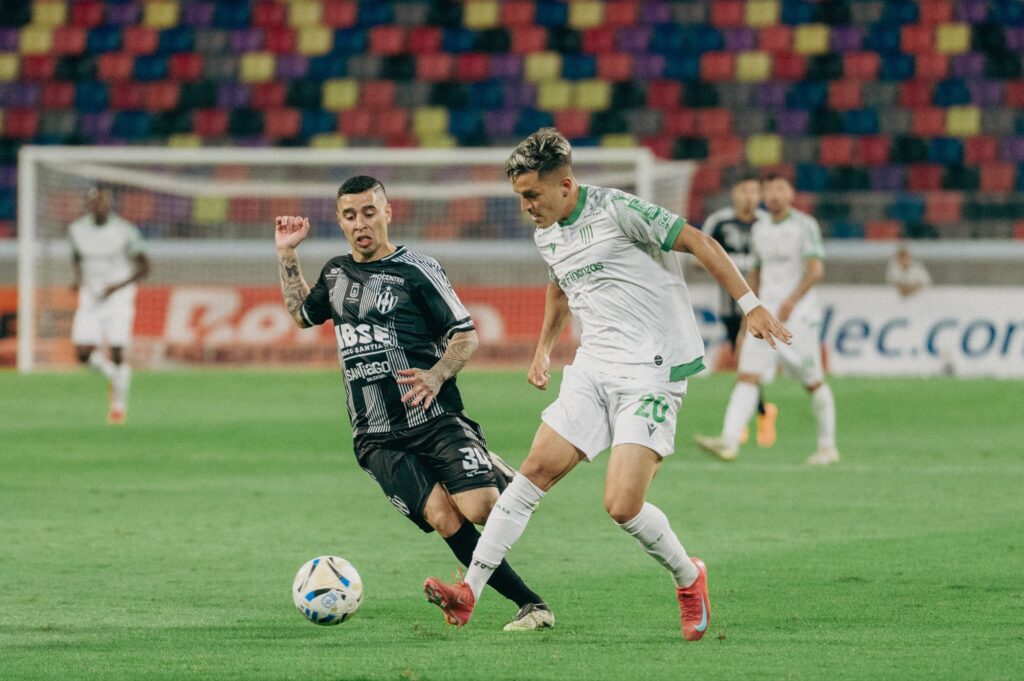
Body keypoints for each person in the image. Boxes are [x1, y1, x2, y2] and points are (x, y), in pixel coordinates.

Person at [422, 128, 791, 641]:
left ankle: (689, 576)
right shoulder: (546, 232)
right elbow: (559, 285)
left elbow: (698, 241)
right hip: (593, 368)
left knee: (622, 506)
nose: (526, 206)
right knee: (533, 472)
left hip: (651, 373)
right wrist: (544, 348)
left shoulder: (618, 210)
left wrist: (751, 306)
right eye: (520, 196)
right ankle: (470, 592)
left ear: (565, 185)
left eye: (532, 195)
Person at [274, 175, 554, 631]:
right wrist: (287, 253)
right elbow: (302, 314)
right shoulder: (335, 273)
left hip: (434, 418)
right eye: (350, 215)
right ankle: (532, 604)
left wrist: (436, 374)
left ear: (387, 213)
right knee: (444, 518)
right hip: (375, 437)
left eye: (369, 212)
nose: (361, 224)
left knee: (481, 510)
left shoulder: (417, 269)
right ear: (340, 222)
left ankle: (497, 472)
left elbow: (465, 336)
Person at [695, 174, 839, 466]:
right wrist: (749, 311)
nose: (774, 195)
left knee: (813, 381)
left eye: (780, 188)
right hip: (765, 316)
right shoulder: (760, 228)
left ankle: (827, 447)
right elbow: (756, 274)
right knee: (747, 375)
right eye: (769, 190)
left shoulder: (804, 226)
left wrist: (791, 301)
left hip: (799, 318)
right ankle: (729, 440)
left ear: (791, 194)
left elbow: (815, 270)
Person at [701, 173, 778, 448]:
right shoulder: (719, 222)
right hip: (729, 305)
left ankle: (747, 420)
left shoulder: (767, 223)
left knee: (748, 363)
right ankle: (760, 412)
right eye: (745, 191)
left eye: (755, 191)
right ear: (735, 193)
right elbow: (700, 253)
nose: (750, 197)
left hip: (761, 304)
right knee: (743, 362)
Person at [69, 185, 149, 424]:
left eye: (103, 201)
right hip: (91, 296)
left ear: (110, 204)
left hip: (119, 297)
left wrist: (117, 286)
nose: (99, 206)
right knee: (82, 353)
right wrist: (77, 280)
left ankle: (118, 406)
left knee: (117, 350)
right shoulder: (76, 230)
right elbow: (76, 258)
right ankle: (114, 375)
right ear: (88, 205)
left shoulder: (125, 231)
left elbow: (145, 266)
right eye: (95, 201)